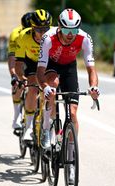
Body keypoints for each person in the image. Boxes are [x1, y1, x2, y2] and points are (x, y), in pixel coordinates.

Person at [36, 8, 100, 150]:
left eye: (74, 30)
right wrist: (45, 87)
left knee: (72, 112)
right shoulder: (48, 38)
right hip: (51, 65)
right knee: (53, 85)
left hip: (69, 67)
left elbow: (91, 69)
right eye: (66, 31)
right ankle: (46, 128)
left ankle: (71, 151)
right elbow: (40, 71)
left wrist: (93, 87)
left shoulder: (85, 38)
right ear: (59, 27)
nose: (70, 34)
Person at [15, 9, 52, 141]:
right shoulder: (24, 36)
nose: (42, 33)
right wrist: (20, 77)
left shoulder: (53, 35)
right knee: (33, 88)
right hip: (31, 62)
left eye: (45, 29)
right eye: (38, 30)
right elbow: (18, 62)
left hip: (48, 62)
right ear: (32, 28)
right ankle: (29, 127)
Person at [7, 12, 32, 130]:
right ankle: (17, 115)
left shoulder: (40, 33)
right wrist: (14, 75)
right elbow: (12, 58)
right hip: (21, 58)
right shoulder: (16, 35)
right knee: (17, 83)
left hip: (34, 57)